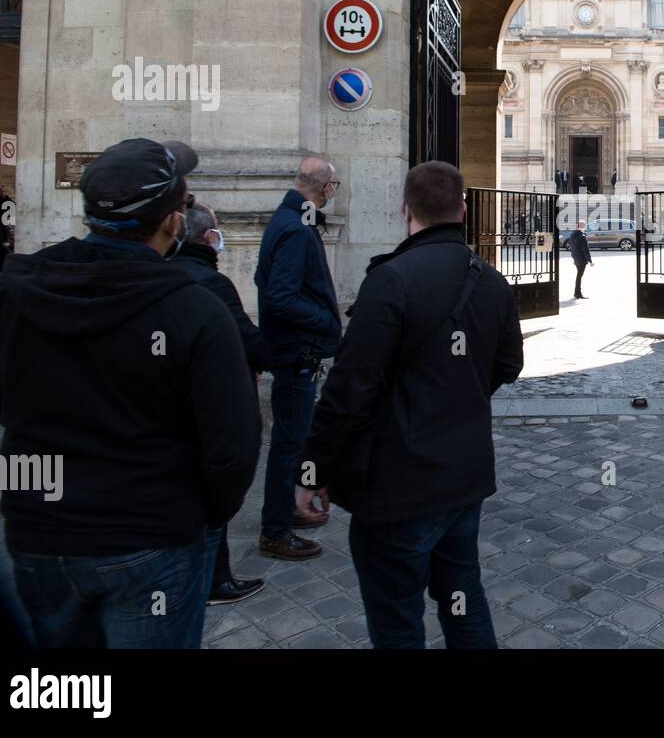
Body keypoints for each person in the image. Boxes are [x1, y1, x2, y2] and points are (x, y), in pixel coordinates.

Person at [0, 138, 260, 648]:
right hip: (151, 535)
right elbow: (233, 443)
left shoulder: (12, 290)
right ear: (171, 223)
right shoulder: (195, 309)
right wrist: (203, 514)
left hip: (40, 534)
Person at [295, 160, 523, 648]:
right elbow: (508, 366)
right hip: (463, 476)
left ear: (405, 209)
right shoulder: (492, 282)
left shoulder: (391, 281)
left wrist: (311, 471)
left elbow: (349, 390)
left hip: (398, 485)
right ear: (463, 209)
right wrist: (456, 395)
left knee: (397, 619)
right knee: (464, 600)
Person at [174, 202, 274, 605]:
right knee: (210, 496)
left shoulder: (166, 272)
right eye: (216, 230)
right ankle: (214, 579)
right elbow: (247, 340)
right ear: (207, 236)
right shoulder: (210, 283)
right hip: (206, 408)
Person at [255, 156, 343, 560]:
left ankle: (290, 509)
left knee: (292, 440)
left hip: (292, 349)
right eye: (334, 187)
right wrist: (324, 320)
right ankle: (275, 530)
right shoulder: (294, 229)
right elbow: (279, 296)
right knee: (288, 445)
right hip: (295, 353)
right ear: (325, 188)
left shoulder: (288, 220)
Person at [569, 219, 593, 299]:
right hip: (581, 260)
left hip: (576, 258)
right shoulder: (582, 237)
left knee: (579, 276)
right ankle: (578, 293)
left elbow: (571, 247)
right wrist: (590, 261)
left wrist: (573, 257)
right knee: (579, 276)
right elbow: (586, 250)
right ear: (583, 227)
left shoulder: (572, 235)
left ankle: (577, 293)